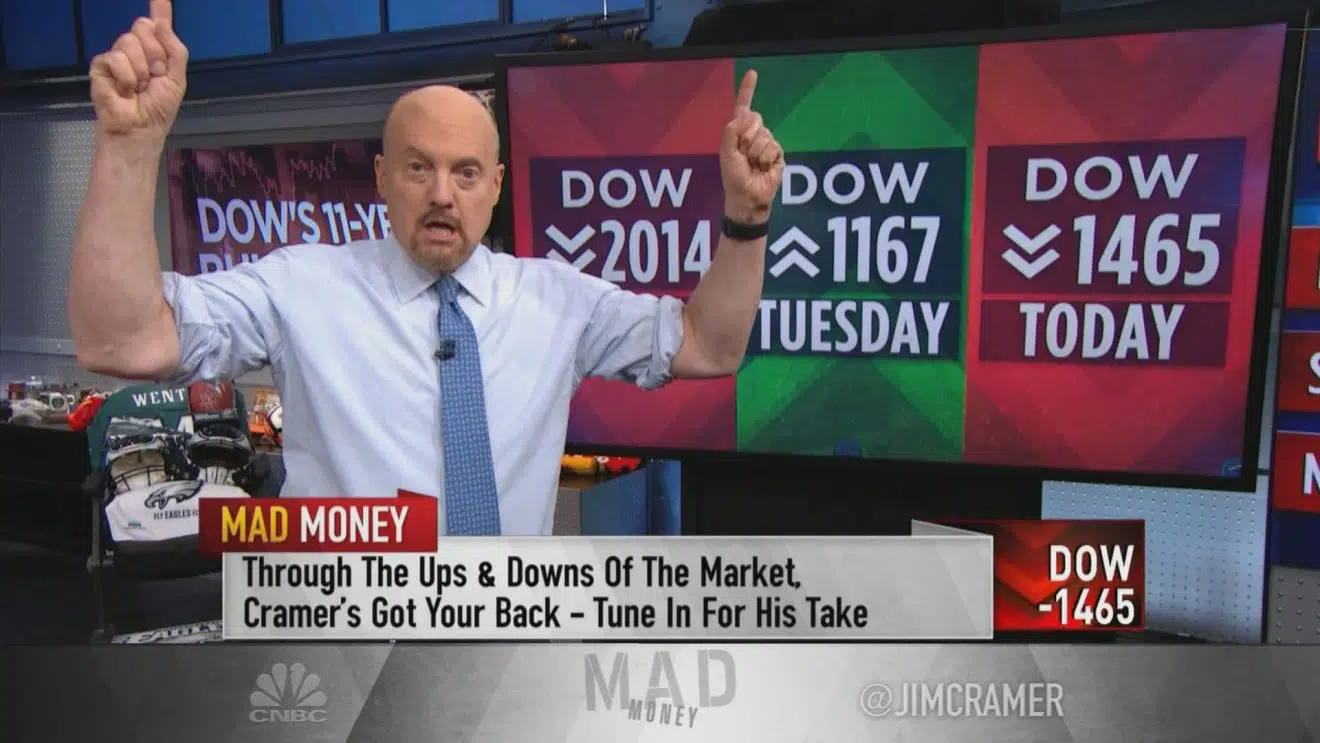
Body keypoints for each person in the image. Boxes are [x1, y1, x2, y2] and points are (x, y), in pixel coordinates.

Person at [69, 0, 786, 536]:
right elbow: (122, 341)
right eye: (419, 168)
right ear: (382, 178)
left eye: (466, 172)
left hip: (502, 651)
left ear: (496, 186)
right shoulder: (300, 289)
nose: (443, 193)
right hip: (342, 653)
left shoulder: (556, 302)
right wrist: (129, 145)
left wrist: (747, 217)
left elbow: (709, 346)